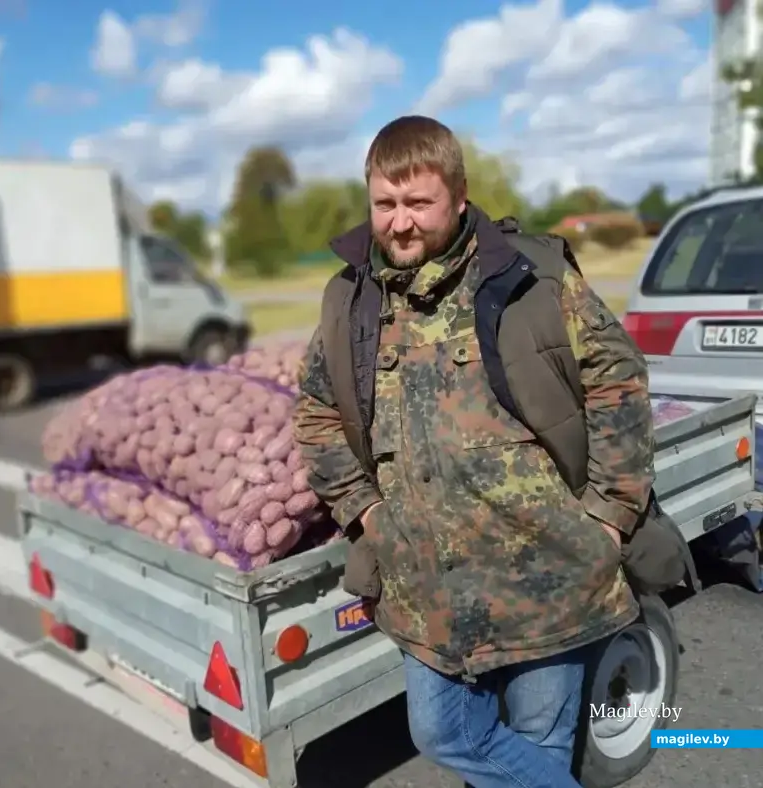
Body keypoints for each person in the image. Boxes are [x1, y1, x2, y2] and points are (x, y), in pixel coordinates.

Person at [291, 115, 655, 788]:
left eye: (418, 203)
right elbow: (315, 407)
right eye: (385, 204)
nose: (400, 223)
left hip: (548, 574)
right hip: (424, 580)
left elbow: (618, 380)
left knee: (539, 743)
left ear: (458, 198)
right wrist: (363, 507)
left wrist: (609, 514)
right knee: (444, 731)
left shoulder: (531, 276)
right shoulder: (350, 298)